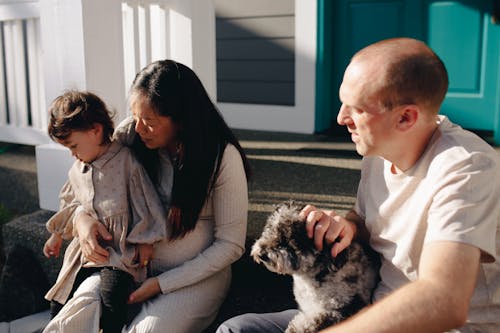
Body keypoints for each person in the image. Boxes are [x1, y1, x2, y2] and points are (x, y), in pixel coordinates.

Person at [216, 37, 500, 333]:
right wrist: (346, 226)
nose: (340, 118)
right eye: (342, 103)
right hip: (370, 306)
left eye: (356, 109)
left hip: (435, 325)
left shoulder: (466, 168)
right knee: (237, 329)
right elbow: (365, 220)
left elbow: (443, 301)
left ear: (405, 117)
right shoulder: (380, 151)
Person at [43, 60, 251, 333]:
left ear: (181, 119)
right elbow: (84, 184)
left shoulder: (222, 158)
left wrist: (161, 284)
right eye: (135, 115)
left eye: (149, 122)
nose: (139, 127)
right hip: (125, 264)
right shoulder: (131, 135)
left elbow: (231, 245)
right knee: (76, 316)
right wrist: (83, 221)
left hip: (194, 278)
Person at [43, 90, 167, 333]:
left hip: (118, 252)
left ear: (96, 131)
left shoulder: (124, 161)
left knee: (112, 293)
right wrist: (57, 234)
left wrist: (146, 240)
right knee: (60, 294)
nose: (72, 154)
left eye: (73, 145)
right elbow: (70, 202)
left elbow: (145, 201)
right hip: (84, 253)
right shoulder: (78, 168)